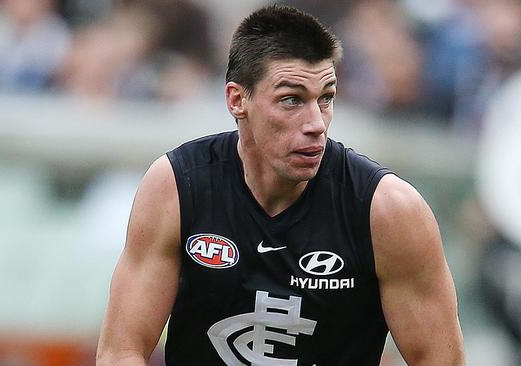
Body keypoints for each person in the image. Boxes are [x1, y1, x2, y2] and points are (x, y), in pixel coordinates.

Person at [96, 5, 465, 365]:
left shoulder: (388, 210)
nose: (316, 123)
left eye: (326, 98)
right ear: (237, 100)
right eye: (292, 100)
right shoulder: (178, 186)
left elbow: (440, 360)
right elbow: (121, 349)